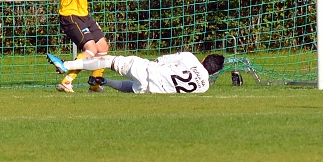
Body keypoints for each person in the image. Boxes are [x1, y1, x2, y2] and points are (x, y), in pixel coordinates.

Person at [54, 0, 121, 93]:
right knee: (91, 48)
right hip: (70, 15)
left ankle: (94, 84)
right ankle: (66, 82)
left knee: (102, 47)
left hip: (84, 15)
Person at [47, 51, 225, 94]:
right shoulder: (205, 88)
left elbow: (161, 60)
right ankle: (104, 82)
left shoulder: (190, 57)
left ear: (203, 60)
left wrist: (154, 66)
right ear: (214, 72)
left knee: (108, 59)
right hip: (152, 90)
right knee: (133, 88)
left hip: (146, 69)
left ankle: (66, 65)